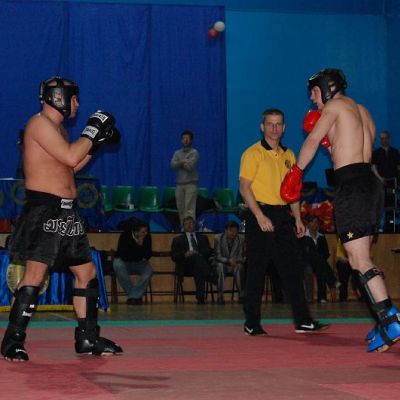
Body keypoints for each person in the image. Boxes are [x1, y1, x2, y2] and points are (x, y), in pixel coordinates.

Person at [1, 77, 122, 362]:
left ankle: (87, 338)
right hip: (44, 210)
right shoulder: (39, 124)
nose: (77, 104)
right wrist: (92, 130)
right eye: (74, 98)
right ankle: (12, 341)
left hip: (66, 211)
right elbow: (69, 156)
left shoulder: (57, 129)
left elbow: (73, 165)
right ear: (59, 97)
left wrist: (95, 143)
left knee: (86, 273)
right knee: (35, 274)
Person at [282, 68, 400, 352]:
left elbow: (312, 141)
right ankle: (383, 320)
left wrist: (296, 172)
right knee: (360, 259)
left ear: (328, 88)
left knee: (359, 260)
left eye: (314, 92)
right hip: (371, 186)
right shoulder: (363, 112)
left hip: (353, 187)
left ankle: (391, 320)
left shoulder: (333, 107)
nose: (312, 98)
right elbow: (352, 149)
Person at [239, 107, 329, 336]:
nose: (274, 128)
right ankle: (251, 322)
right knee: (257, 270)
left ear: (284, 127)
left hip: (283, 216)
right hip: (260, 213)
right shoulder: (252, 153)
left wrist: (297, 217)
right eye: (270, 124)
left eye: (278, 124)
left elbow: (293, 191)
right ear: (262, 127)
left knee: (292, 270)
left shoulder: (290, 155)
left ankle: (303, 321)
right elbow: (244, 188)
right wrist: (259, 216)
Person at [171, 216, 214, 304]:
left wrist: (197, 252)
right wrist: (185, 254)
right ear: (183, 226)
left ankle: (200, 297)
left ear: (195, 225)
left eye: (191, 223)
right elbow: (174, 256)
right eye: (186, 224)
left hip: (199, 265)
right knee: (196, 260)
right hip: (185, 266)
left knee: (198, 266)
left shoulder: (203, 237)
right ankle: (209, 275)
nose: (189, 225)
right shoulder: (177, 239)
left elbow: (208, 252)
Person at [300, 214, 340, 304]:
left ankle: (322, 298)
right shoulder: (302, 236)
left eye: (317, 222)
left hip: (318, 263)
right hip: (305, 263)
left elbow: (326, 253)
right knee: (312, 268)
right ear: (307, 224)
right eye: (313, 222)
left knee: (320, 268)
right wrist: (315, 257)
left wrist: (317, 258)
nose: (315, 224)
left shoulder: (321, 236)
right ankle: (332, 281)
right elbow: (301, 253)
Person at [113, 219, 153, 305]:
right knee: (117, 265)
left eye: (146, 231)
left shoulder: (147, 237)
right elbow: (123, 254)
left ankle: (133, 296)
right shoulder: (125, 236)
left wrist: (141, 246)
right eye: (143, 232)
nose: (145, 233)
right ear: (136, 232)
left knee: (149, 270)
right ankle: (135, 296)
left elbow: (148, 255)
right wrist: (137, 246)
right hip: (125, 262)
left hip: (139, 262)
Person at [170, 130, 199, 227]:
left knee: (189, 209)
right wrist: (183, 162)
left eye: (187, 138)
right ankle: (184, 229)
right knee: (181, 209)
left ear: (191, 140)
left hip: (191, 184)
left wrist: (179, 163)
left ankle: (190, 229)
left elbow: (190, 167)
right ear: (181, 140)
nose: (185, 140)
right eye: (183, 138)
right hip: (179, 184)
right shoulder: (177, 153)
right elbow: (172, 165)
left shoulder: (194, 152)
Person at [212, 220, 245, 304]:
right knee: (220, 267)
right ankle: (220, 296)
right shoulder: (218, 238)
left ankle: (242, 295)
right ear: (226, 230)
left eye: (235, 231)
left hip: (235, 263)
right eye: (231, 230)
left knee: (239, 267)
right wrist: (228, 260)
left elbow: (241, 255)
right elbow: (217, 256)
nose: (233, 233)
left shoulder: (241, 239)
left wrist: (235, 260)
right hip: (222, 262)